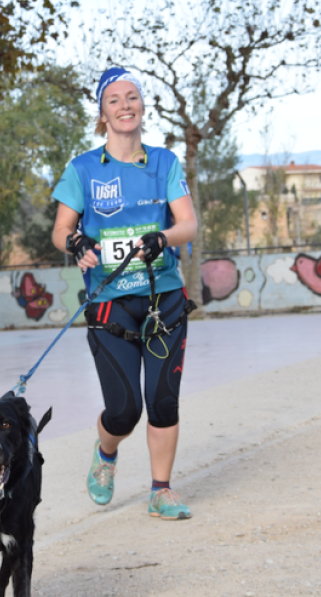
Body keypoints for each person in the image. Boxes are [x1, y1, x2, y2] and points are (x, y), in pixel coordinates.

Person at [51, 67, 198, 520]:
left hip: (163, 297)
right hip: (110, 302)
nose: (125, 105)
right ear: (102, 112)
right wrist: (76, 242)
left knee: (162, 401)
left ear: (142, 106)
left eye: (132, 97)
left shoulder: (164, 163)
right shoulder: (82, 169)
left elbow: (188, 224)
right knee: (125, 409)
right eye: (114, 99)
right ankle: (106, 452)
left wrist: (164, 238)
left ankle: (161, 490)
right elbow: (60, 230)